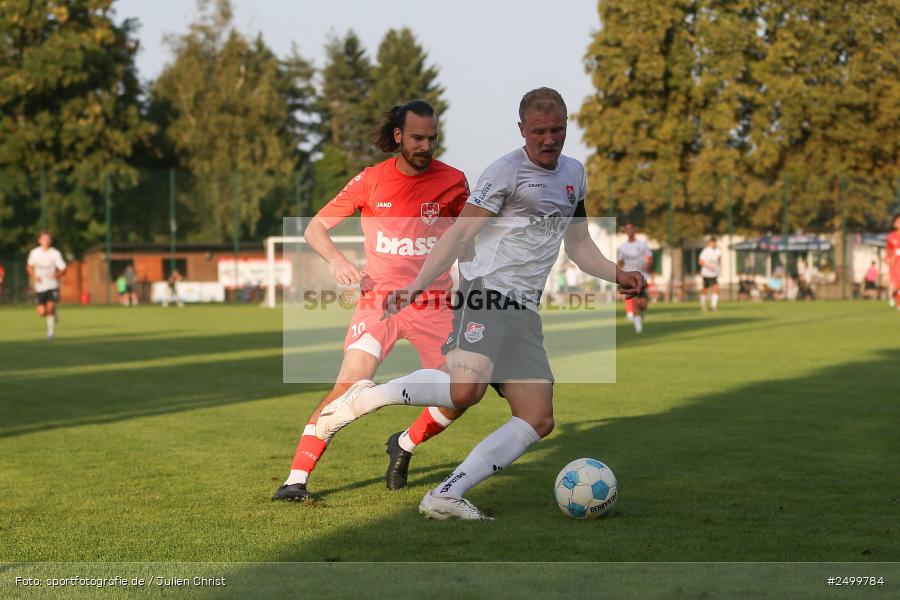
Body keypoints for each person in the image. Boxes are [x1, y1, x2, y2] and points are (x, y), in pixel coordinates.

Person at [314, 87, 645, 520]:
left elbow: (579, 244)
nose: (550, 139)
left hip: (524, 308)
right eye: (540, 131)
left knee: (538, 417)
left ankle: (446, 494)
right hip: (485, 294)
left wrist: (619, 274)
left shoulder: (574, 174)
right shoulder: (503, 172)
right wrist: (416, 285)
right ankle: (366, 398)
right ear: (522, 130)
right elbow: (458, 234)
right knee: (464, 390)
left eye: (558, 130)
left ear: (567, 125)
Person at [272, 100, 471, 502]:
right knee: (347, 385)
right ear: (398, 136)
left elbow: (466, 241)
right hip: (379, 301)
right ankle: (295, 481)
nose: (426, 146)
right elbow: (315, 230)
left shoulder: (454, 181)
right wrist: (339, 261)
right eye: (417, 138)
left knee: (460, 393)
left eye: (432, 138)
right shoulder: (370, 180)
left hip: (435, 304)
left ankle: (405, 444)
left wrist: (469, 286)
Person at [26, 231, 67, 340]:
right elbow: (29, 267)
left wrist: (57, 274)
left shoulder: (55, 253)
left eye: (48, 239)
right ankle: (54, 313)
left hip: (52, 285)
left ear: (50, 241)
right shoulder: (34, 253)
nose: (45, 241)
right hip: (40, 286)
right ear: (39, 240)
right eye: (43, 239)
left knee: (50, 308)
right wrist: (34, 276)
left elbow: (63, 268)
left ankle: (51, 333)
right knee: (42, 312)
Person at [617, 223, 653, 332]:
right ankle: (638, 329)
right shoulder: (622, 247)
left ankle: (639, 313)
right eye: (627, 229)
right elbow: (620, 262)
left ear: (634, 230)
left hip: (641, 276)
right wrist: (619, 274)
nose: (629, 231)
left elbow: (650, 257)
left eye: (631, 229)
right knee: (634, 302)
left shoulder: (642, 244)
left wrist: (647, 265)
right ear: (626, 232)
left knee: (643, 304)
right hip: (629, 277)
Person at [698, 236, 722, 312]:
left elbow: (719, 260)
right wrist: (709, 266)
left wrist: (720, 268)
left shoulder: (718, 251)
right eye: (712, 242)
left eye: (715, 242)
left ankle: (713, 306)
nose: (714, 243)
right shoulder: (706, 251)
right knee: (705, 289)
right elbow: (700, 261)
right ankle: (702, 304)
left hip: (714, 274)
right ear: (710, 243)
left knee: (716, 288)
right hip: (706, 273)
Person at [887, 214, 900, 310]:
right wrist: (889, 260)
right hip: (895, 266)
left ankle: (898, 302)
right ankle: (893, 296)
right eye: (898, 221)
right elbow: (888, 252)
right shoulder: (891, 237)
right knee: (897, 285)